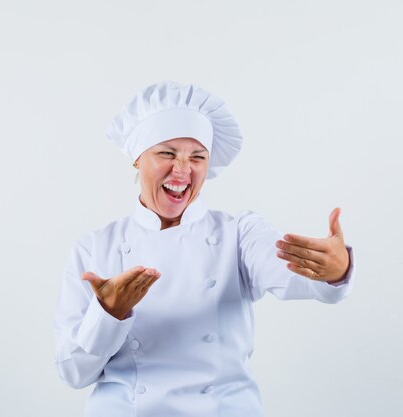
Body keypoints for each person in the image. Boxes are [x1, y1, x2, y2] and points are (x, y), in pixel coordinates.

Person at [54, 81, 355, 417]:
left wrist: (332, 271)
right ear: (137, 159)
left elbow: (284, 267)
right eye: (166, 153)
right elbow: (73, 373)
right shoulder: (95, 248)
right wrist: (107, 314)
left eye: (197, 157)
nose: (182, 169)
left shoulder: (237, 234)